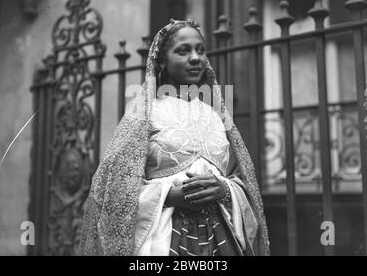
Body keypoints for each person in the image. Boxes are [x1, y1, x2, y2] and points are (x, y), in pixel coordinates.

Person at [79, 19, 270, 256]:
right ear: (162, 60)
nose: (195, 58)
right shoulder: (145, 112)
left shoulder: (215, 115)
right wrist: (169, 196)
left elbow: (242, 181)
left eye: (200, 50)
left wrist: (224, 189)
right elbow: (114, 189)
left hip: (222, 237)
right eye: (183, 50)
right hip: (163, 238)